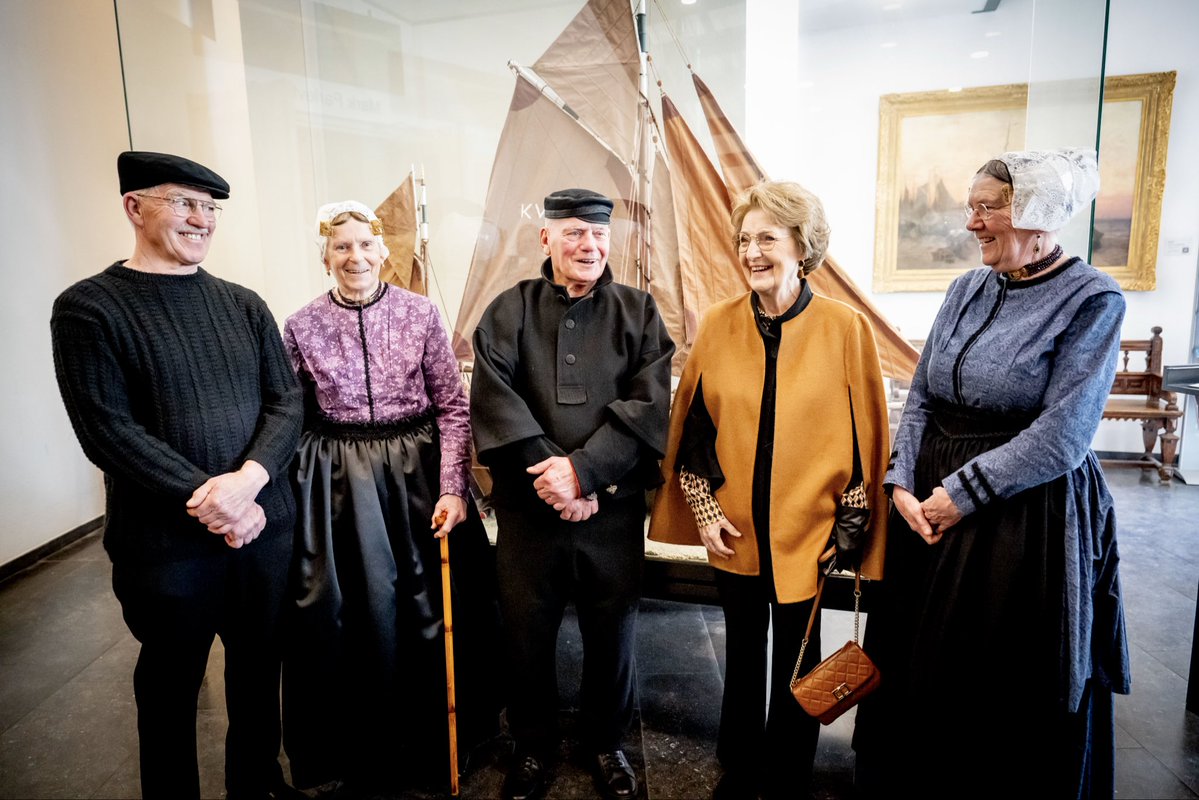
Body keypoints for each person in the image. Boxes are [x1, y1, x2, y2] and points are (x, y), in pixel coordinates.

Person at [851, 148, 1131, 799]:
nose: (972, 224)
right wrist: (899, 482)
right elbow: (920, 394)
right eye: (971, 208)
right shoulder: (964, 288)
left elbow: (1063, 434)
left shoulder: (1092, 299)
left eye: (988, 208)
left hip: (1017, 518)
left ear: (1038, 213)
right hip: (926, 507)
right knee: (914, 674)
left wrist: (960, 495)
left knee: (991, 686)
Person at [50, 151, 304, 800]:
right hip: (166, 548)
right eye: (184, 203)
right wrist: (209, 496)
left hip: (262, 534)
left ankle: (256, 784)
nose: (202, 219)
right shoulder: (89, 308)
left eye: (211, 207)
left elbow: (285, 402)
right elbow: (106, 429)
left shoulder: (244, 305)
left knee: (256, 674)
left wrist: (247, 481)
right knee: (170, 683)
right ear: (134, 207)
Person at [648, 179, 890, 799]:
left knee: (798, 652)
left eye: (767, 239)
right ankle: (738, 755)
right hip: (733, 525)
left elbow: (868, 436)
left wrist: (853, 522)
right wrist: (702, 511)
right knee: (743, 646)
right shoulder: (719, 324)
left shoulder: (846, 328)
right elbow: (694, 428)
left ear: (803, 247)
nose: (752, 252)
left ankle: (788, 767)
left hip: (808, 526)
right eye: (745, 239)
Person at [280, 201, 500, 795]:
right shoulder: (299, 325)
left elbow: (454, 408)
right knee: (349, 608)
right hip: (339, 481)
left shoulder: (421, 313)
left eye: (364, 245)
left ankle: (442, 737)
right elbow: (291, 417)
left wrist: (454, 488)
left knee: (431, 605)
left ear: (384, 251)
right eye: (341, 247)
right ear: (325, 257)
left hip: (419, 473)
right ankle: (357, 748)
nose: (355, 257)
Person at [470, 188, 674, 800]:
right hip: (531, 514)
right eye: (574, 233)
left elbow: (648, 406)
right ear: (547, 239)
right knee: (526, 633)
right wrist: (554, 478)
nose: (588, 245)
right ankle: (532, 747)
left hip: (609, 510)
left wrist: (585, 475)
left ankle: (606, 742)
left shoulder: (639, 312)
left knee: (613, 634)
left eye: (598, 235)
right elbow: (494, 403)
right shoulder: (507, 312)